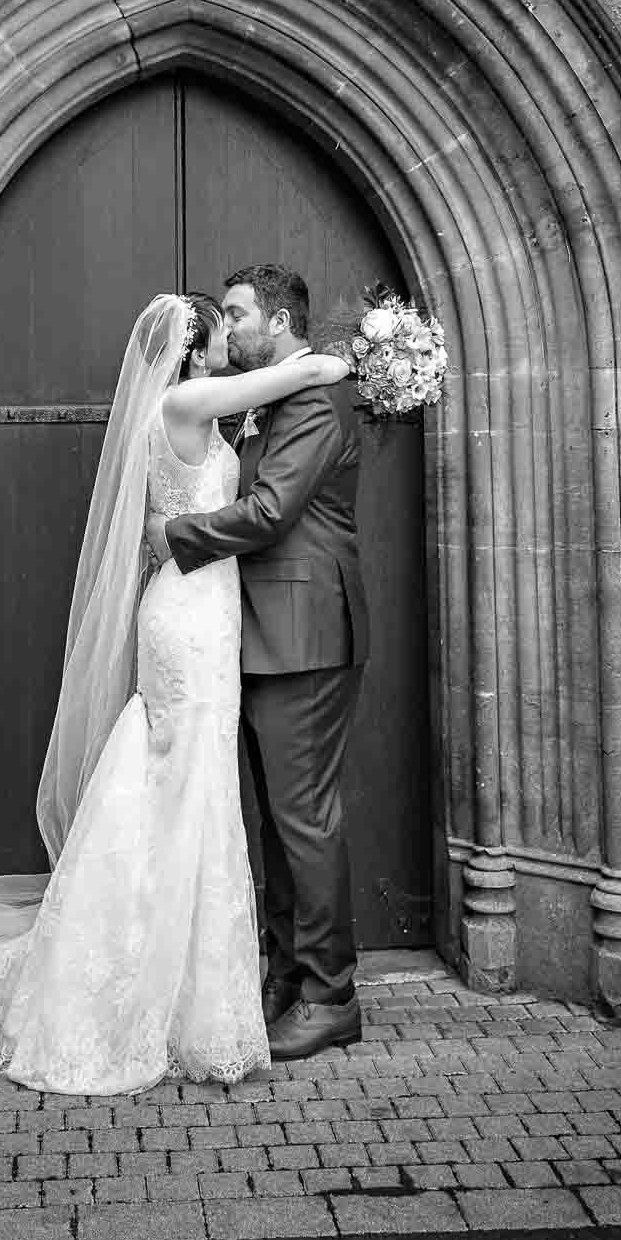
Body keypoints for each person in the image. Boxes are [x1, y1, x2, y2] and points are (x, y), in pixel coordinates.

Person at [0, 291, 350, 1095]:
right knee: (185, 782)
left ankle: (197, 976)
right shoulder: (189, 399)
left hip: (210, 612)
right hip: (192, 618)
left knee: (188, 786)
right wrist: (334, 359)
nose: (231, 336)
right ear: (194, 347)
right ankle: (173, 986)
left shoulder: (194, 407)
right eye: (222, 325)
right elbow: (313, 374)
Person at [147, 265, 369, 1064]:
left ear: (277, 321)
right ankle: (284, 972)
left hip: (304, 632)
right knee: (277, 817)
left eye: (236, 315)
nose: (227, 328)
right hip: (256, 635)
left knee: (304, 818)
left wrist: (173, 537)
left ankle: (329, 994)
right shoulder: (269, 398)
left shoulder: (309, 401)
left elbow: (274, 512)